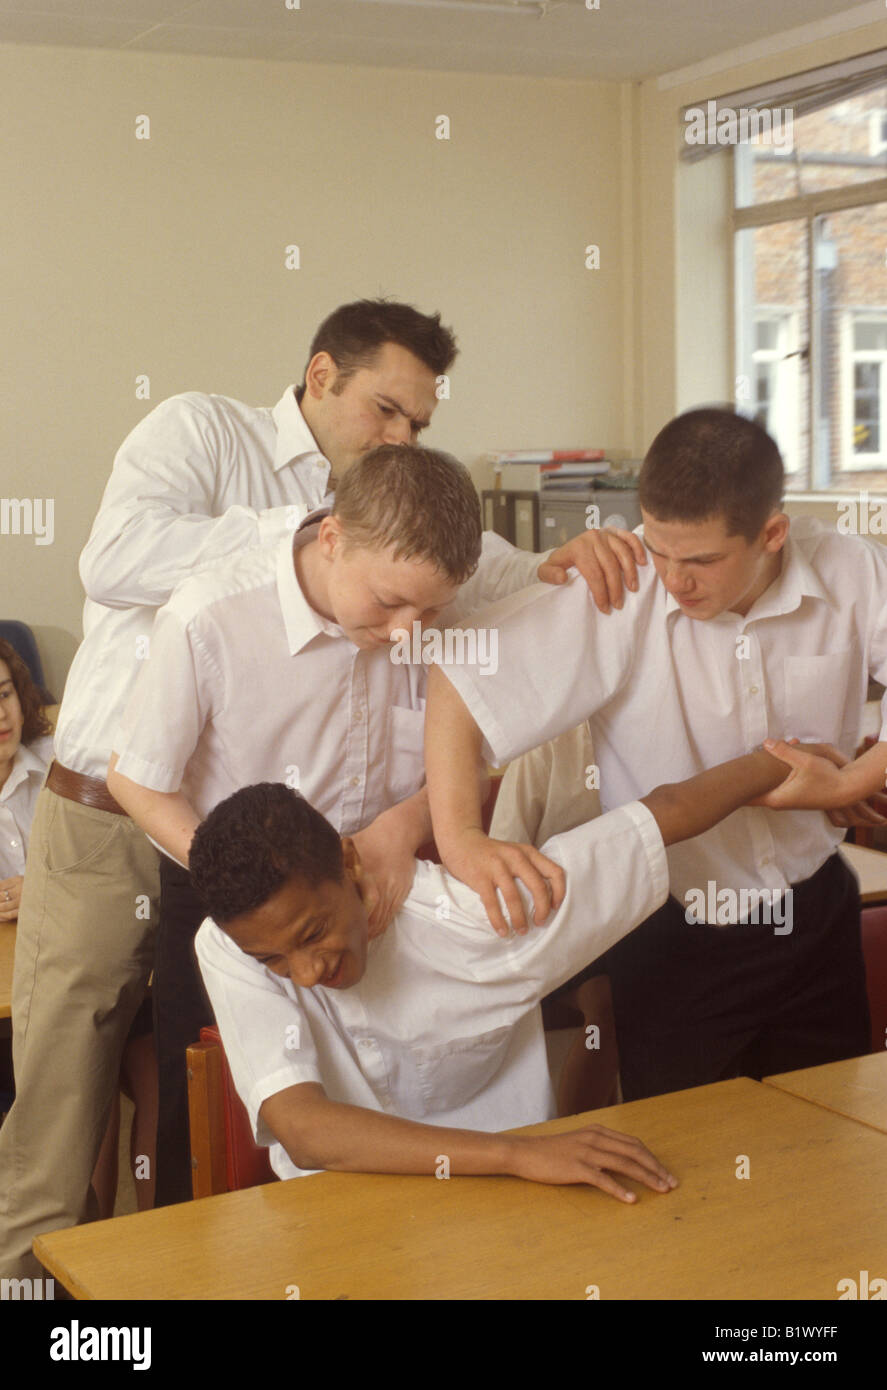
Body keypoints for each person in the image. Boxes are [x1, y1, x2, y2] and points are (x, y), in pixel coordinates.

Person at [0, 297, 466, 1277]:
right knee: (55, 1121)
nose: (398, 437)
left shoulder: (381, 527)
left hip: (240, 861)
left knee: (192, 1094)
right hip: (104, 818)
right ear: (321, 375)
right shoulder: (201, 430)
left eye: (417, 425)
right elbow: (114, 559)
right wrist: (307, 533)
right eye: (385, 410)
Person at [106, 443, 649, 1203]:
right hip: (246, 904)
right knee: (212, 1126)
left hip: (395, 888)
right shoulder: (210, 615)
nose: (407, 630)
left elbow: (480, 742)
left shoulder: (451, 585)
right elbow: (135, 778)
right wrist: (258, 890)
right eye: (390, 603)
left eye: (428, 611)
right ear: (331, 538)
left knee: (407, 1100)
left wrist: (401, 825)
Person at [424, 407, 887, 1101]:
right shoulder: (623, 582)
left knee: (829, 1144)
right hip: (673, 930)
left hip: (813, 909)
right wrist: (460, 841)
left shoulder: (849, 567)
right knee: (690, 1165)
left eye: (700, 560)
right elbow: (457, 679)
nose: (673, 578)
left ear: (771, 533)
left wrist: (851, 778)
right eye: (660, 550)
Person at [189, 744, 823, 1198]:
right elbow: (305, 1132)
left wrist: (793, 762)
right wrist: (515, 1152)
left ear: (349, 865)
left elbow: (663, 815)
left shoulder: (484, 915)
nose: (302, 973)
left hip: (514, 1203)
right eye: (272, 960)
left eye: (313, 934)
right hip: (334, 1211)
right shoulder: (226, 944)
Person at [0, 638, 53, 922]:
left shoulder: (62, 765)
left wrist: (46, 888)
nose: (1, 716)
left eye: (3, 695)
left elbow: (112, 869)